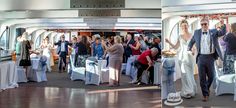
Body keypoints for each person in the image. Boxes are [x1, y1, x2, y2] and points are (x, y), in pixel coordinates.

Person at [188, 17, 226, 102]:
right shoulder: (197, 32)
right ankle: (205, 94)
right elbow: (191, 41)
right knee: (202, 78)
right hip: (201, 57)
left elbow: (223, 32)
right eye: (202, 24)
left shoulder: (214, 31)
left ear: (208, 24)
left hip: (211, 57)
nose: (203, 26)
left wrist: (222, 24)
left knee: (212, 76)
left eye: (205, 24)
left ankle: (207, 87)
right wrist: (189, 48)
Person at [165, 19, 197, 98]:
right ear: (181, 27)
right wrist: (169, 42)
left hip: (190, 57)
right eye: (183, 26)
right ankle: (187, 91)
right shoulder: (180, 36)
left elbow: (194, 46)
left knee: (190, 74)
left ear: (188, 26)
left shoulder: (192, 35)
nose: (184, 27)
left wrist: (193, 50)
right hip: (182, 57)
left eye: (185, 25)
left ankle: (192, 89)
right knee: (185, 74)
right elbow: (176, 47)